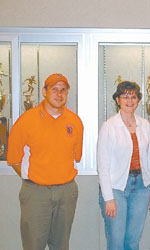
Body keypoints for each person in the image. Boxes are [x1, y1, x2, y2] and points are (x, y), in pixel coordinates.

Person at [7, 73, 84, 250]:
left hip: (66, 192)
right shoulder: (26, 120)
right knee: (33, 245)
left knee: (61, 244)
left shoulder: (75, 122)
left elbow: (76, 157)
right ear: (44, 91)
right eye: (54, 89)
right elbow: (13, 159)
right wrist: (35, 179)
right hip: (36, 193)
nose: (59, 94)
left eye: (63, 90)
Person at [97, 81, 150, 250]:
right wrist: (108, 198)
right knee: (116, 241)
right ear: (118, 99)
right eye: (125, 96)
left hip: (141, 187)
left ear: (138, 100)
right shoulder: (109, 127)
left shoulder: (145, 125)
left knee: (132, 241)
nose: (129, 100)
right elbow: (103, 165)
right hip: (116, 189)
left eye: (133, 96)